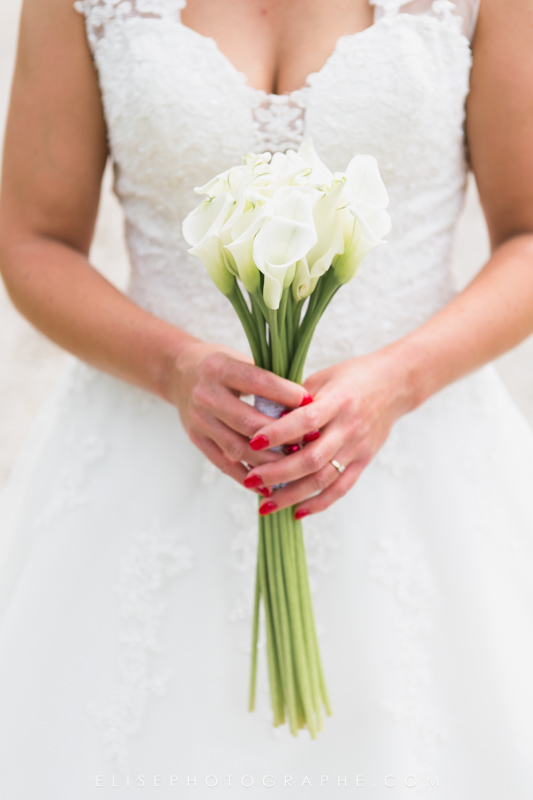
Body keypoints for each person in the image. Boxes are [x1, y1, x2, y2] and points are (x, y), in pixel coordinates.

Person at [0, 0, 532, 797]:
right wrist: (174, 368)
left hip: (422, 471)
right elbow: (31, 237)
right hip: (146, 467)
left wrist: (399, 381)